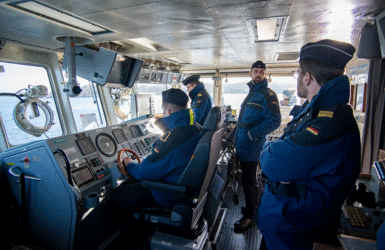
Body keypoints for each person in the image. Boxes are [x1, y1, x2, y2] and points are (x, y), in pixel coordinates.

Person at [257, 39, 361, 250]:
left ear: (307, 78)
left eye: (298, 73)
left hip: (296, 232)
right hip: (284, 224)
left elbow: (272, 162)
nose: (298, 78)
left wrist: (271, 151)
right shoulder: (314, 112)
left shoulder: (329, 124)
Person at [112, 88, 203, 211]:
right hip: (190, 188)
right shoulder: (197, 128)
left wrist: (130, 165)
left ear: (168, 111)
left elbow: (143, 173)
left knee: (117, 195)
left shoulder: (173, 140)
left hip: (167, 194)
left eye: (163, 110)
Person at [227, 60, 281, 232]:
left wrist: (251, 135)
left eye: (262, 72)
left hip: (252, 145)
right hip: (242, 143)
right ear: (250, 73)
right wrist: (230, 138)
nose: (258, 74)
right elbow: (243, 121)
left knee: (250, 181)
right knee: (249, 180)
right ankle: (251, 208)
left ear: (265, 75)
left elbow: (275, 121)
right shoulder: (252, 93)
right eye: (256, 71)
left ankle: (251, 216)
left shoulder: (267, 94)